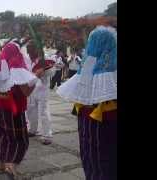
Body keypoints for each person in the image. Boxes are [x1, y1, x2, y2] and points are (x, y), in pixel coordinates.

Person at [56, 26, 117, 180]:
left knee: (92, 157)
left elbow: (81, 95)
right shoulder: (108, 68)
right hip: (105, 121)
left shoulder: (87, 66)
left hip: (88, 122)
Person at [0, 42, 43, 178]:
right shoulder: (17, 70)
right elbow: (26, 92)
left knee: (3, 136)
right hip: (14, 111)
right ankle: (11, 165)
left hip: (1, 109)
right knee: (20, 139)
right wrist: (37, 77)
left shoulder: (1, 70)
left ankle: (1, 164)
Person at [25, 40, 54, 145]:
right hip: (31, 88)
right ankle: (32, 130)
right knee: (30, 110)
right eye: (28, 50)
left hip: (42, 89)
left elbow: (52, 71)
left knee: (44, 111)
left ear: (37, 49)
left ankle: (47, 135)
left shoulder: (45, 58)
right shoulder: (27, 59)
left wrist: (44, 71)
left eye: (31, 50)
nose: (29, 53)